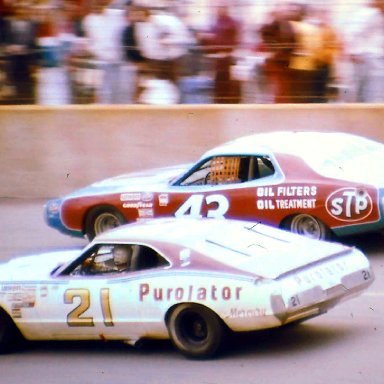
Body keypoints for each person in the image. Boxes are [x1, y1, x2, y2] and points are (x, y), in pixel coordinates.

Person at [82, 0, 126, 103]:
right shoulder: (89, 20)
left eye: (101, 2)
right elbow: (89, 41)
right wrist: (96, 51)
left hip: (117, 62)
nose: (98, 4)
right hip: (99, 62)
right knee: (101, 96)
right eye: (96, 3)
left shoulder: (117, 15)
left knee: (118, 95)